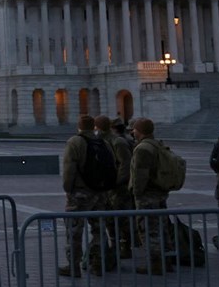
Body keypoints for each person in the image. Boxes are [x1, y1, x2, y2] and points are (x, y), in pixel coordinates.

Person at [59, 115, 110, 277]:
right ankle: (97, 263)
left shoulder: (75, 142)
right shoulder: (103, 143)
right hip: (100, 193)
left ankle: (73, 265)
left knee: (74, 231)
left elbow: (69, 169)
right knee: (99, 229)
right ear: (93, 126)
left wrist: (68, 188)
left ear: (78, 126)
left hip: (80, 194)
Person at [129, 118, 174, 275]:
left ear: (140, 131)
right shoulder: (157, 144)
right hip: (160, 192)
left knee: (149, 229)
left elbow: (140, 175)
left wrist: (136, 193)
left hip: (148, 195)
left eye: (134, 129)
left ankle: (155, 264)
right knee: (163, 228)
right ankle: (167, 260)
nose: (132, 132)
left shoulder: (143, 148)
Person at [95, 115, 134, 259]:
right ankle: (114, 245)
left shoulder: (117, 141)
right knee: (109, 218)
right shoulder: (100, 141)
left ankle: (126, 246)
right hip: (106, 187)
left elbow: (125, 164)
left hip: (119, 188)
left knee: (122, 218)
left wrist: (117, 182)